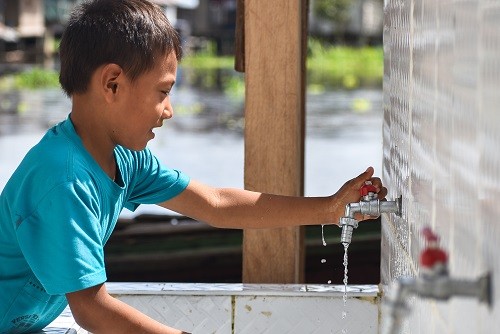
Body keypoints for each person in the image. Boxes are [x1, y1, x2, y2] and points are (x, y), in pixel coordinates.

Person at [0, 0, 388, 333]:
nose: (169, 111)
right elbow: (92, 310)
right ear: (113, 84)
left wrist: (329, 208)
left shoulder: (122, 158)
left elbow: (215, 203)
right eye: (163, 92)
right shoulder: (65, 180)